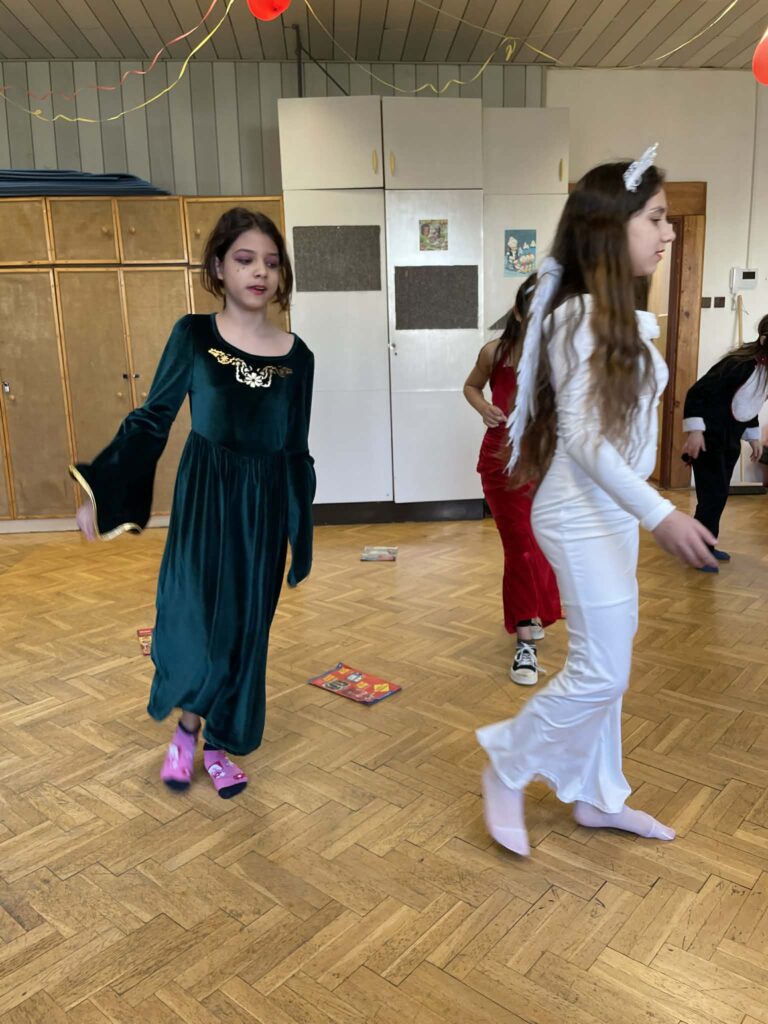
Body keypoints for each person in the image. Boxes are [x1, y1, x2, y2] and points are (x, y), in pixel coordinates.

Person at [476, 146, 717, 856]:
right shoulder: (577, 318)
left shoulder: (612, 316)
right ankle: (507, 764)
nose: (667, 233)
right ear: (610, 227)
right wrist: (661, 512)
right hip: (579, 516)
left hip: (607, 516)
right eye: (655, 218)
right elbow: (584, 440)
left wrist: (643, 508)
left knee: (609, 667)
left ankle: (597, 796)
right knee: (601, 669)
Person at [71, 208, 315, 798]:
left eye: (271, 262)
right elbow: (152, 418)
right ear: (219, 268)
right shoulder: (193, 335)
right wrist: (104, 493)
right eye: (245, 259)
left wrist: (297, 526)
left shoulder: (298, 356)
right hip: (206, 498)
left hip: (262, 510)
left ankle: (222, 744)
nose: (260, 272)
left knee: (246, 630)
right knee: (195, 620)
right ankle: (186, 730)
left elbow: (295, 447)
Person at [463, 276, 561, 685]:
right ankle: (525, 640)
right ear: (519, 311)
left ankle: (533, 611)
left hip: (550, 463)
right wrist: (483, 406)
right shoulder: (494, 352)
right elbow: (471, 386)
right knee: (520, 547)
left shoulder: (564, 355)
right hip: (501, 464)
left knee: (543, 544)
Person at [681, 313, 768, 571]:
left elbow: (748, 405)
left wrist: (753, 438)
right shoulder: (738, 365)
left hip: (729, 439)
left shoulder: (765, 371)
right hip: (709, 437)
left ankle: (705, 545)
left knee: (718, 495)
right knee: (712, 496)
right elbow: (697, 392)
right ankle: (698, 551)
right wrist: (695, 431)